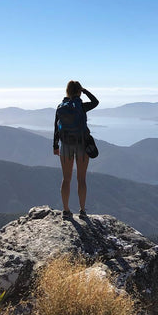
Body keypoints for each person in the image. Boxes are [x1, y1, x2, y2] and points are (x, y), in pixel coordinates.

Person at [53, 81, 99, 219]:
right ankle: (83, 211)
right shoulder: (82, 107)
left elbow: (56, 127)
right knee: (81, 179)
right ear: (79, 91)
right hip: (82, 145)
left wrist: (55, 146)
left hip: (66, 146)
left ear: (67, 91)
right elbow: (96, 102)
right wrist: (85, 91)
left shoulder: (60, 107)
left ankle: (66, 211)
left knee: (66, 179)